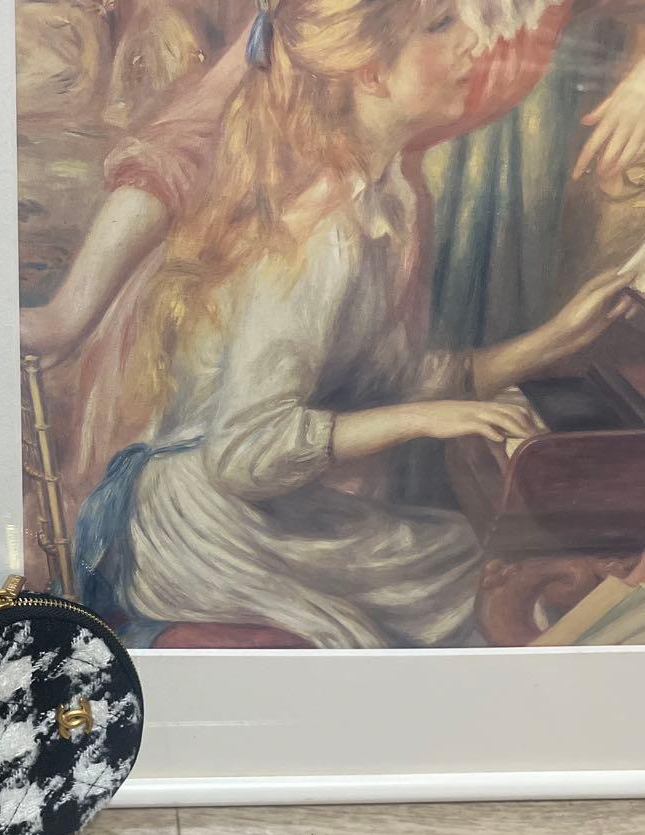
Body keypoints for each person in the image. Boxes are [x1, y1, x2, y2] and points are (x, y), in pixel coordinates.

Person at [66, 0, 636, 648]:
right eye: (441, 25)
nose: (476, 42)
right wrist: (427, 419)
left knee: (466, 554)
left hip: (256, 510)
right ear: (369, 72)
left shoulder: (385, 200)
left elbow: (397, 379)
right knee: (480, 585)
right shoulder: (320, 235)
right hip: (198, 527)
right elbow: (243, 455)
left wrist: (560, 335)